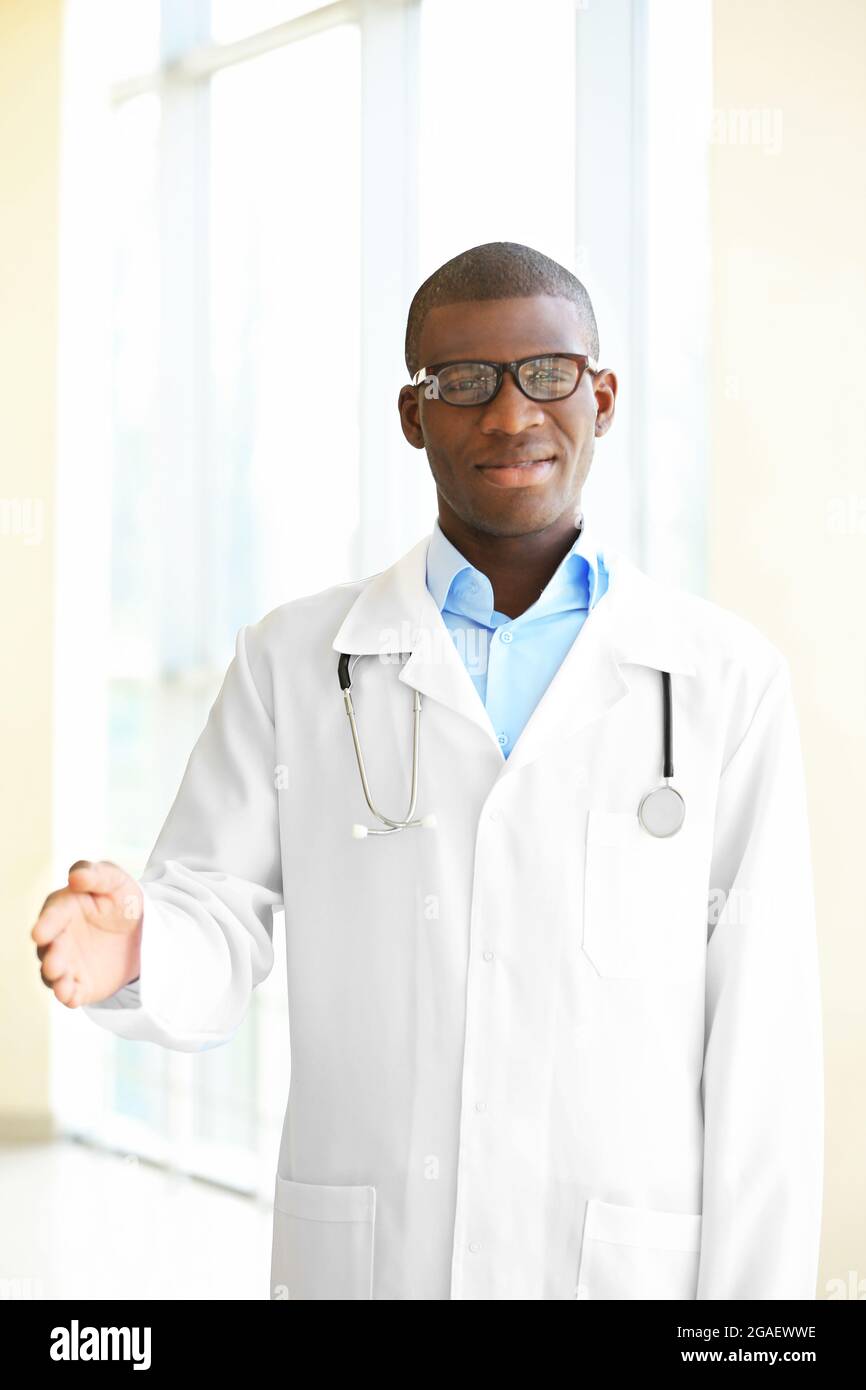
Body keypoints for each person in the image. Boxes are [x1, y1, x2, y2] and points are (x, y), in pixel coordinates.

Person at [31, 242, 824, 1301]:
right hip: (372, 1260)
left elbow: (763, 1050)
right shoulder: (293, 658)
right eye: (461, 382)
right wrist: (142, 945)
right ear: (413, 414)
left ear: (601, 395)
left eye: (546, 373)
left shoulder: (721, 680)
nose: (508, 416)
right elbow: (215, 918)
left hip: (623, 1269)